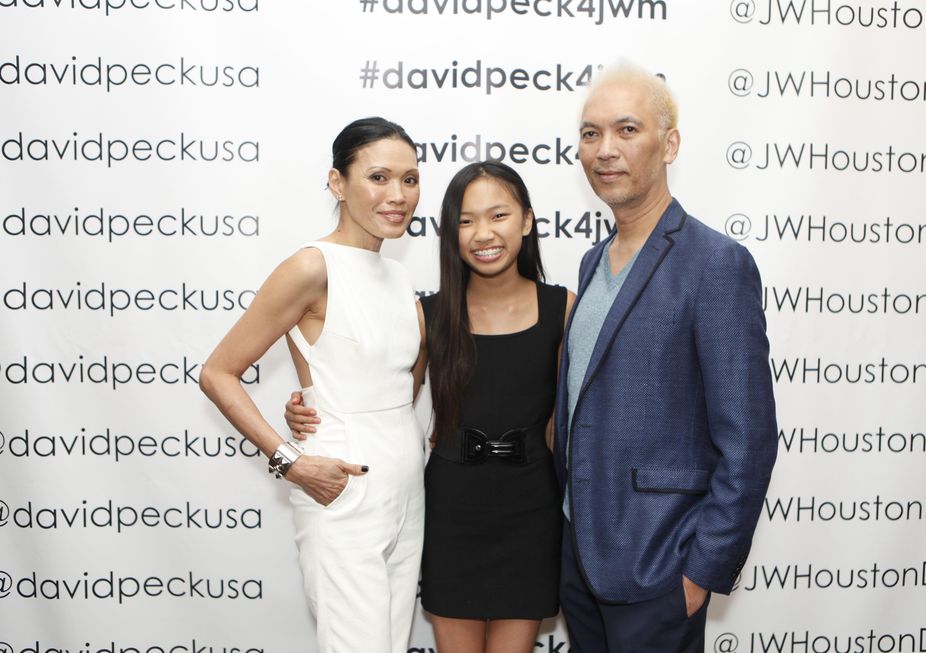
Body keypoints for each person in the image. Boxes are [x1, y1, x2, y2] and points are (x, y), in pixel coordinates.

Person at [288, 161, 574, 653]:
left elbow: (573, 416)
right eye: (465, 221)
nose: (483, 233)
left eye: (498, 215)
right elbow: (384, 396)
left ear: (526, 221)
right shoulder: (429, 315)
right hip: (452, 507)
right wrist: (312, 403)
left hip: (532, 507)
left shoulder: (562, 308)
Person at [553, 65, 778, 652]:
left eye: (627, 129)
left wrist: (701, 571)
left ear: (669, 142)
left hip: (659, 563)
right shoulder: (590, 262)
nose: (605, 150)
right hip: (581, 558)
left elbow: (749, 436)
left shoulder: (715, 264)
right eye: (590, 133)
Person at [199, 116, 427, 653]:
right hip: (342, 479)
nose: (398, 195)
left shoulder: (398, 275)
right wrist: (290, 460)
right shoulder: (311, 266)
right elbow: (217, 372)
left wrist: (313, 400)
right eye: (379, 177)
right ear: (337, 183)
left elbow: (401, 380)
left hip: (405, 482)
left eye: (410, 179)